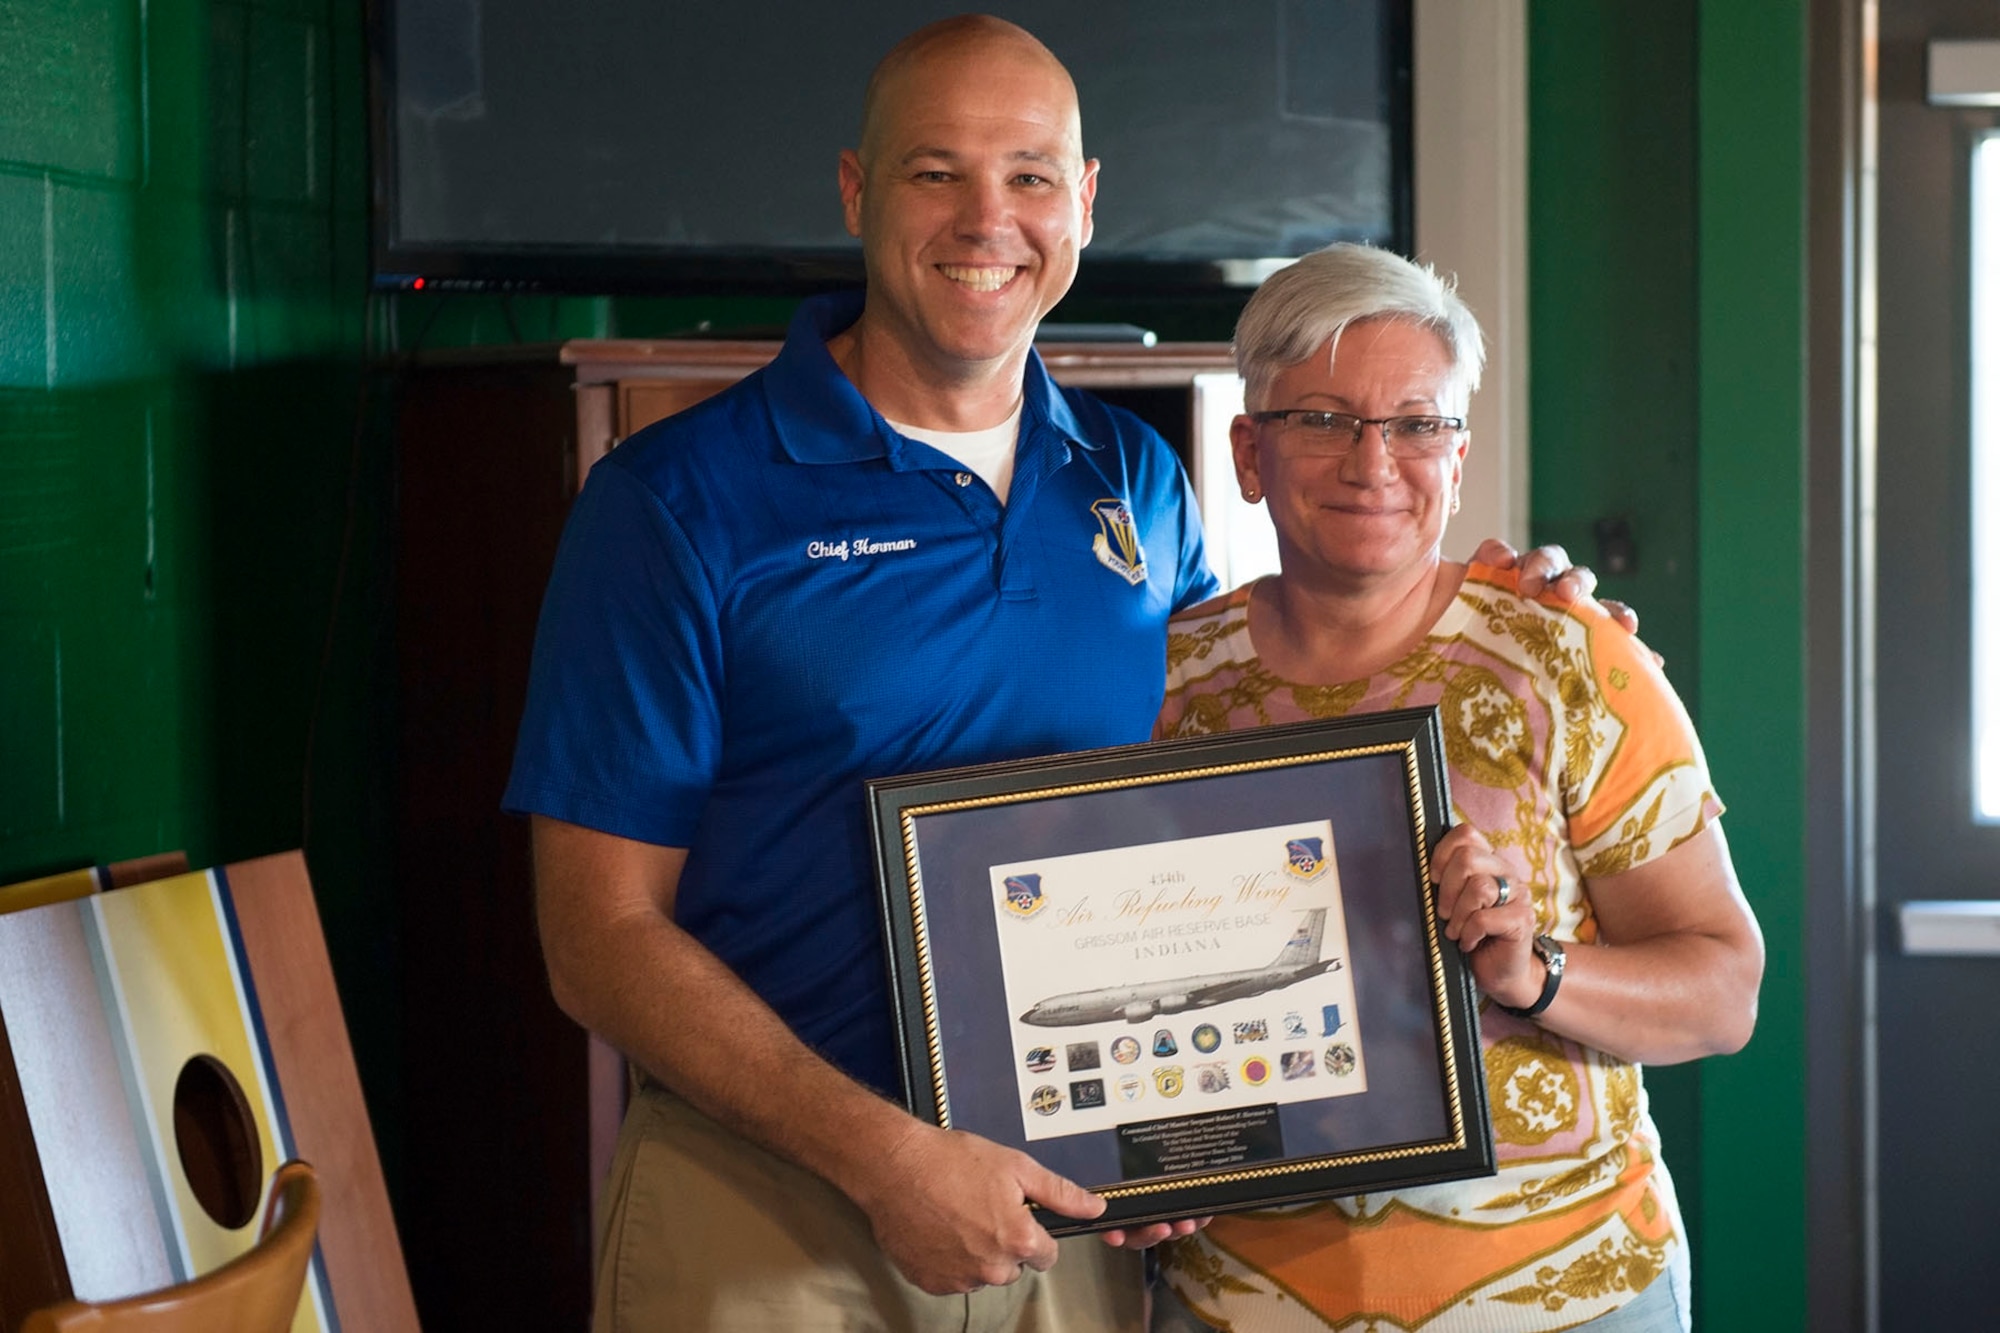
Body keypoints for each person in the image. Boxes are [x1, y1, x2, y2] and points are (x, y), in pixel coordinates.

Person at [505, 17, 1611, 1333]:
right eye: (936, 172)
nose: (988, 220)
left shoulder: (1134, 479)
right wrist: (886, 1156)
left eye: (1030, 175)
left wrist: (1489, 610)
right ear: (859, 191)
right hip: (774, 1215)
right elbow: (597, 939)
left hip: (1071, 1225)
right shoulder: (674, 504)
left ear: (1084, 204)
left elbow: (1222, 788)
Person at [1148, 243, 1765, 1332]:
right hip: (1241, 1301)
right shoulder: (1159, 680)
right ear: (1249, 451)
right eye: (1324, 418)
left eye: (1414, 423)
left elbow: (1722, 990)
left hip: (1561, 1292)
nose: (1371, 461)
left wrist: (1535, 973)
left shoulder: (1571, 660)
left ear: (1457, 452)